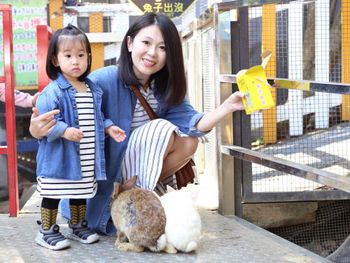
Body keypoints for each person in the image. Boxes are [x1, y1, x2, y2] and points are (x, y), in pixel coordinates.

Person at [29, 13, 245, 236]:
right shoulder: (103, 79)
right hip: (105, 172)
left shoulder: (164, 88)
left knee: (189, 141)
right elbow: (64, 112)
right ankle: (112, 202)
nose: (153, 53)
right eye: (146, 43)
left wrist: (226, 107)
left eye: (163, 47)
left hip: (137, 170)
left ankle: (135, 199)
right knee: (163, 129)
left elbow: (194, 123)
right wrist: (36, 129)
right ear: (130, 43)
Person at [33, 24, 126, 250]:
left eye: (81, 55)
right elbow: (46, 124)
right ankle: (46, 230)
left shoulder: (92, 89)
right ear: (55, 60)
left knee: (80, 191)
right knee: (53, 193)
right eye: (68, 55)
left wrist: (108, 127)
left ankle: (77, 224)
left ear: (88, 57)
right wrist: (64, 131)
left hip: (86, 156)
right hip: (60, 158)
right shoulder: (53, 91)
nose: (75, 61)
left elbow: (97, 117)